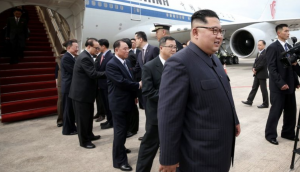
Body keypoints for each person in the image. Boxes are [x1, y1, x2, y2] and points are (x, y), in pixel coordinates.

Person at [157, 10, 241, 172]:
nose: (219, 36)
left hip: (220, 149)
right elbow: (169, 115)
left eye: (220, 31)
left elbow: (224, 92)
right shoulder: (179, 63)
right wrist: (168, 159)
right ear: (195, 32)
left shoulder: (214, 59)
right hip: (199, 155)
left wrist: (234, 119)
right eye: (214, 30)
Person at [136, 36, 176, 172]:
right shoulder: (150, 66)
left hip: (176, 115)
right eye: (170, 46)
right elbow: (148, 92)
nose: (174, 49)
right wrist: (171, 97)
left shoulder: (178, 64)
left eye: (175, 47)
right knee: (149, 147)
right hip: (157, 116)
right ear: (161, 48)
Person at [106, 40, 141, 171]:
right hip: (118, 104)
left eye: (128, 49)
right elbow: (121, 82)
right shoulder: (111, 64)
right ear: (116, 50)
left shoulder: (126, 61)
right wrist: (138, 85)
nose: (128, 51)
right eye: (125, 49)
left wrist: (134, 95)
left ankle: (121, 148)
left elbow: (130, 78)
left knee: (124, 130)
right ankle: (119, 161)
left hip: (128, 101)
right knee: (120, 132)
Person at [265, 24, 300, 145]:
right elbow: (272, 68)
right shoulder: (272, 48)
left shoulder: (289, 47)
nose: (288, 33)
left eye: (288, 31)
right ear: (279, 33)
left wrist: (296, 82)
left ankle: (288, 133)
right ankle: (270, 135)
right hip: (279, 87)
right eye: (286, 31)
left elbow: (292, 66)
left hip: (290, 85)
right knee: (276, 111)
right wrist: (281, 83)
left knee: (291, 111)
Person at [69, 38, 106, 149]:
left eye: (99, 48)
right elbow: (93, 74)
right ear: (89, 46)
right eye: (96, 48)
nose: (98, 50)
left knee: (88, 117)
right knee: (82, 119)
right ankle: (84, 141)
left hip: (87, 94)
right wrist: (109, 72)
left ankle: (89, 135)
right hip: (81, 95)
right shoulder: (84, 57)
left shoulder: (87, 56)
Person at [133, 31, 159, 141]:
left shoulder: (153, 49)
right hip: (145, 88)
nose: (134, 41)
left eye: (135, 39)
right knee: (147, 111)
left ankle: (157, 135)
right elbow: (137, 69)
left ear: (140, 39)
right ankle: (148, 134)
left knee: (155, 112)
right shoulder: (139, 54)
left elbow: (158, 66)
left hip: (154, 87)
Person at [120, 38, 140, 138]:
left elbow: (132, 75)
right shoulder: (116, 62)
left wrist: (135, 91)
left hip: (131, 89)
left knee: (133, 112)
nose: (127, 51)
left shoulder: (129, 58)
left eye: (127, 48)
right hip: (128, 91)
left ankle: (133, 129)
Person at [242, 40, 269, 108]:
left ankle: (265, 103)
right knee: (254, 88)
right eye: (258, 45)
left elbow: (262, 64)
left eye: (260, 45)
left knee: (263, 90)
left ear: (264, 45)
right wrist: (253, 68)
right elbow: (256, 62)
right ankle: (249, 100)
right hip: (257, 74)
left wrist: (255, 69)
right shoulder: (258, 53)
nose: (258, 46)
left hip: (262, 74)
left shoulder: (265, 53)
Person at [61, 39, 78, 135]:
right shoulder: (67, 58)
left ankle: (72, 127)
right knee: (67, 110)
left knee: (71, 110)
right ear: (68, 48)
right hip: (68, 88)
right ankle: (67, 130)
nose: (77, 49)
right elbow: (74, 71)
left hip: (70, 87)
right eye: (75, 48)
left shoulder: (71, 57)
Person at [95, 39, 114, 129]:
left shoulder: (110, 56)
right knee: (105, 104)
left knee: (109, 104)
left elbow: (109, 72)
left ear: (103, 46)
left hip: (107, 85)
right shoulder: (101, 56)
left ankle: (111, 121)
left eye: (98, 46)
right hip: (101, 85)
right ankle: (108, 120)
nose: (97, 48)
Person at [55, 49, 67, 127]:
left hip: (63, 83)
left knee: (62, 101)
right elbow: (56, 73)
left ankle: (61, 120)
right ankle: (60, 119)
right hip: (62, 83)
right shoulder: (59, 61)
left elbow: (56, 73)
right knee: (61, 101)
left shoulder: (58, 61)